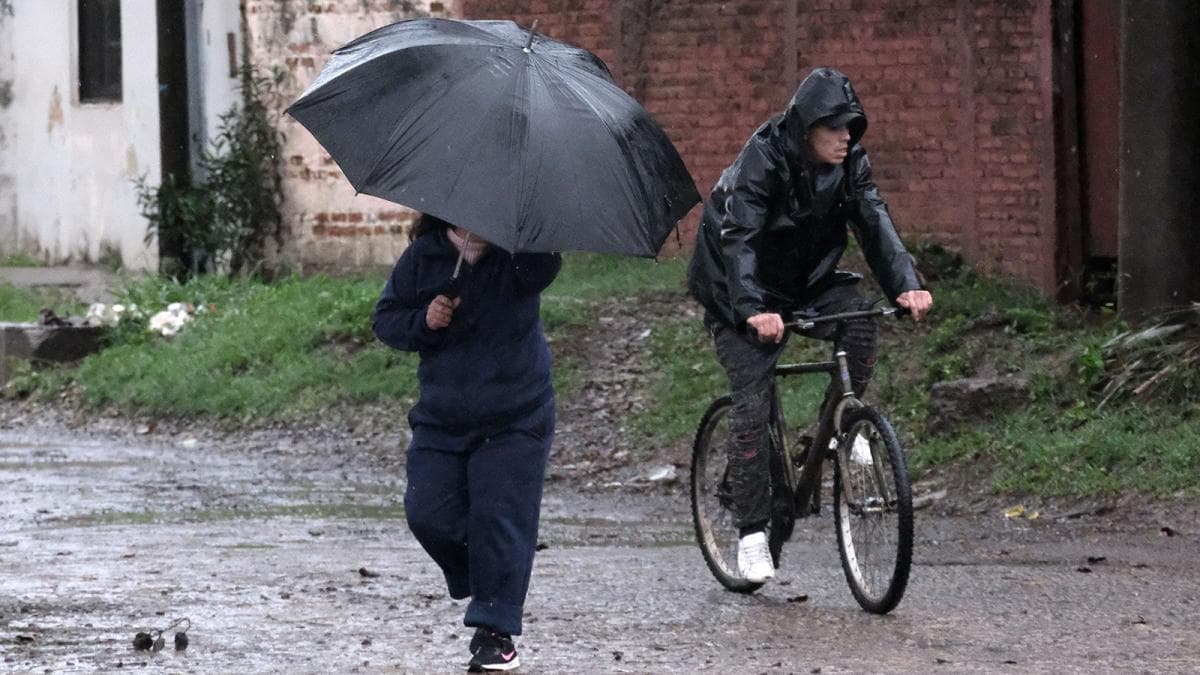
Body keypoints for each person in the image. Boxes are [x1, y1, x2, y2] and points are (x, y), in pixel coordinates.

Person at [686, 67, 933, 584]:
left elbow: (874, 219)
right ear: (805, 130)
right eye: (836, 128)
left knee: (861, 321)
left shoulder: (849, 164)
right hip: (737, 290)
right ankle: (752, 531)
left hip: (807, 282)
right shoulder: (761, 161)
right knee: (752, 400)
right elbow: (741, 237)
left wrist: (905, 284)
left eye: (853, 128)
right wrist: (752, 307)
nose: (847, 138)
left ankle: (841, 427)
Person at [372, 213, 561, 672]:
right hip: (443, 418)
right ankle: (492, 569)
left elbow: (542, 272)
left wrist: (521, 238)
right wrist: (425, 320)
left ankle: (496, 634)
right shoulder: (426, 255)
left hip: (517, 415)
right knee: (428, 514)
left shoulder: (523, 257)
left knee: (499, 518)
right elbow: (387, 320)